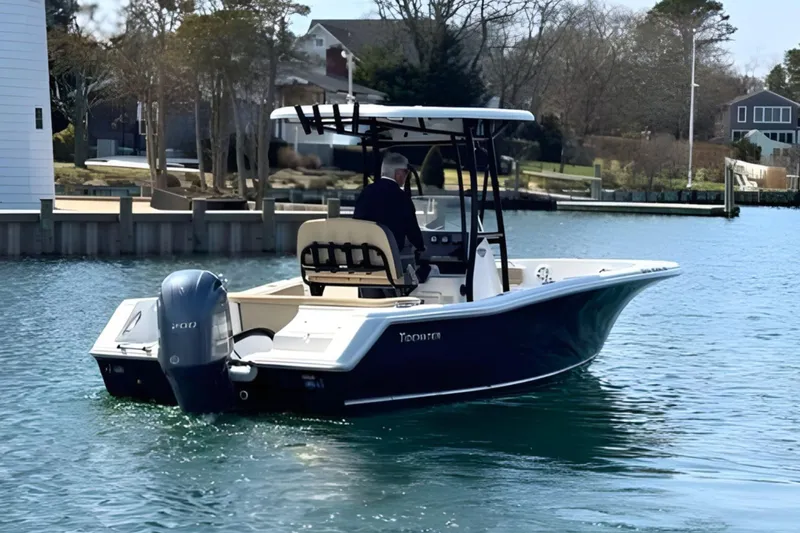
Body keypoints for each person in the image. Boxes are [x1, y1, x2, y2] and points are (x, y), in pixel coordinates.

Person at [353, 152, 427, 297]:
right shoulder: (401, 198)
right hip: (390, 264)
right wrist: (421, 248)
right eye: (406, 173)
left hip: (364, 261)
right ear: (399, 173)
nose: (406, 177)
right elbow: (412, 230)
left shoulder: (366, 192)